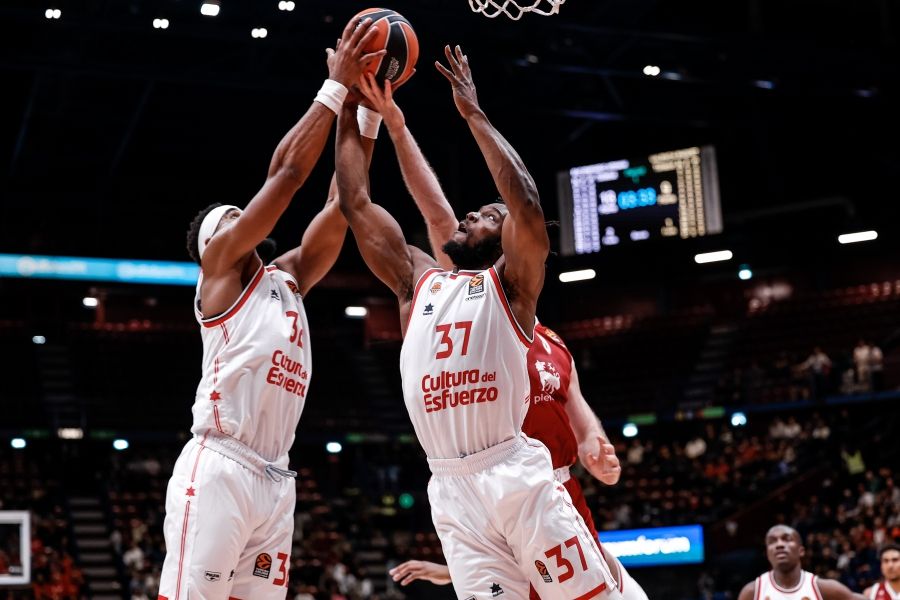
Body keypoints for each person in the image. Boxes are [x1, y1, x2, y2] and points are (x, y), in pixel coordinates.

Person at [337, 45, 619, 599]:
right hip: (451, 489)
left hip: (516, 475)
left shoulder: (511, 291)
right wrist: (358, 108)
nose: (469, 215)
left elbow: (528, 205)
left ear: (505, 241)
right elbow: (355, 202)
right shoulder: (417, 281)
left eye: (489, 216)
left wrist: (473, 114)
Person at [157, 18, 386, 599]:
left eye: (242, 212)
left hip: (275, 477)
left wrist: (367, 110)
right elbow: (285, 177)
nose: (242, 218)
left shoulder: (286, 278)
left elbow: (343, 203)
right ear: (213, 245)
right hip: (219, 466)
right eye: (230, 219)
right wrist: (333, 90)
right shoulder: (219, 276)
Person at [736, 525, 866, 600]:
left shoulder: (824, 589)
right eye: (772, 541)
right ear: (767, 553)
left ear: (801, 551)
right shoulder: (752, 592)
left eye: (787, 539)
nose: (779, 544)